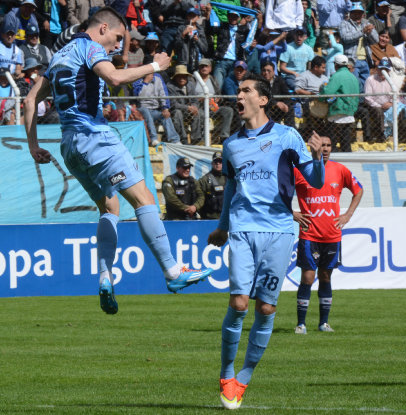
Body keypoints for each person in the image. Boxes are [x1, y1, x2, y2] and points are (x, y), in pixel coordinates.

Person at [23, 6, 213, 315]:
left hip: (69, 145)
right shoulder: (90, 47)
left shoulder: (59, 55)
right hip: (95, 136)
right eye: (116, 38)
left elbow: (30, 100)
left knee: (110, 207)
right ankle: (173, 271)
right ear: (101, 29)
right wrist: (153, 66)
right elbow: (112, 77)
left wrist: (33, 146)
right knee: (143, 198)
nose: (116, 46)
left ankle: (105, 277)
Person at [207, 73, 324, 410]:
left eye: (246, 91)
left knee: (266, 307)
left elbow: (313, 181)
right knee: (240, 303)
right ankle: (226, 372)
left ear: (262, 100)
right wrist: (222, 226)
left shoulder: (288, 136)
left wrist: (319, 158)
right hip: (243, 228)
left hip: (279, 230)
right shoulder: (231, 144)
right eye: (238, 91)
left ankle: (244, 377)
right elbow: (231, 188)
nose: (238, 96)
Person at [293, 134, 363, 334]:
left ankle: (323, 323)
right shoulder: (301, 170)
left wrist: (347, 215)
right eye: (321, 145)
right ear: (313, 147)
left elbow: (358, 190)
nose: (325, 148)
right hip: (309, 234)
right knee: (307, 277)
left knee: (325, 277)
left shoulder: (340, 170)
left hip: (332, 235)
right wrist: (292, 213)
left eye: (328, 145)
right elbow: (278, 192)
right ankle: (301, 324)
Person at [321, 54, 360, 152]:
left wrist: (320, 95)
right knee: (346, 140)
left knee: (332, 139)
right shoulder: (353, 77)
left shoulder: (336, 76)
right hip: (350, 111)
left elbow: (327, 92)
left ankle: (333, 159)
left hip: (337, 111)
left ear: (335, 65)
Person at [195, 151, 226, 220]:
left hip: (226, 218)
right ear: (212, 163)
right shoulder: (204, 180)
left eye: (220, 162)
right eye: (215, 162)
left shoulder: (229, 179)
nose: (218, 164)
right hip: (209, 218)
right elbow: (198, 198)